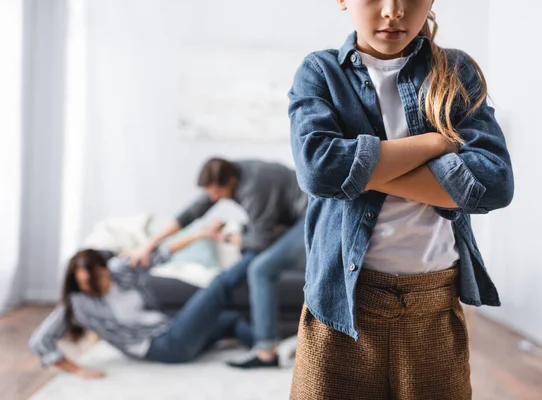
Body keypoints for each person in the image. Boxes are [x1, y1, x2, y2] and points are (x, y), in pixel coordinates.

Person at [287, 1, 514, 399]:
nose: (393, 11)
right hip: (340, 305)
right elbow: (319, 171)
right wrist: (434, 144)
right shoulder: (320, 72)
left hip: (433, 307)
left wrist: (361, 174)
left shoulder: (456, 72)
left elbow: (493, 184)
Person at [128, 158, 307, 368]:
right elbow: (191, 213)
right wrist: (149, 245)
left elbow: (262, 241)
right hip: (286, 223)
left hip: (312, 217)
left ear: (230, 182)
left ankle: (266, 353)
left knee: (260, 270)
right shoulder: (229, 175)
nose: (213, 198)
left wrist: (224, 238)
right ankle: (265, 346)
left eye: (216, 193)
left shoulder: (254, 188)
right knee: (249, 265)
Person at [29, 222, 255, 378]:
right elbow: (40, 341)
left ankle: (267, 351)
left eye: (93, 279)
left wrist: (202, 234)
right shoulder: (78, 304)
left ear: (104, 269)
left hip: (173, 331)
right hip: (164, 347)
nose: (89, 287)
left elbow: (164, 252)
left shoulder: (120, 270)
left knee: (230, 320)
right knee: (217, 287)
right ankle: (256, 253)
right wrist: (79, 371)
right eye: (83, 283)